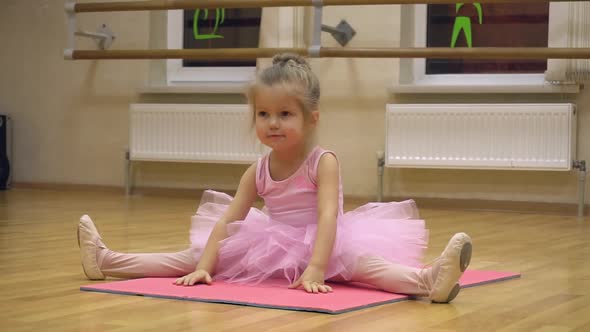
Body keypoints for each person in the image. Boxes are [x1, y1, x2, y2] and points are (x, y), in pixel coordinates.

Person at [78, 53, 472, 303]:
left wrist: (317, 267)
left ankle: (428, 280)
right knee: (188, 257)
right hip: (272, 243)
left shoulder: (323, 162)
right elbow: (230, 218)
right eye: (264, 114)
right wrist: (207, 265)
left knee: (366, 266)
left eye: (285, 114)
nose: (273, 123)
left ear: (310, 118)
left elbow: (330, 218)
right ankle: (106, 260)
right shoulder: (258, 170)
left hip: (325, 243)